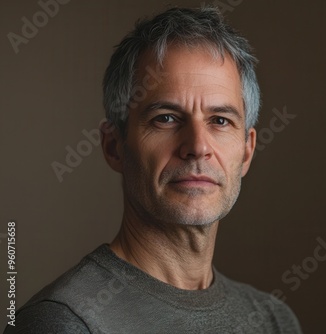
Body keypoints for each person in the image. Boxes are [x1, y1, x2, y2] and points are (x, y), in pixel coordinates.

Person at [4, 6, 302, 334]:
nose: (198, 146)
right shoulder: (64, 323)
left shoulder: (275, 321)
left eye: (220, 120)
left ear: (246, 152)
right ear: (114, 146)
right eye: (166, 118)